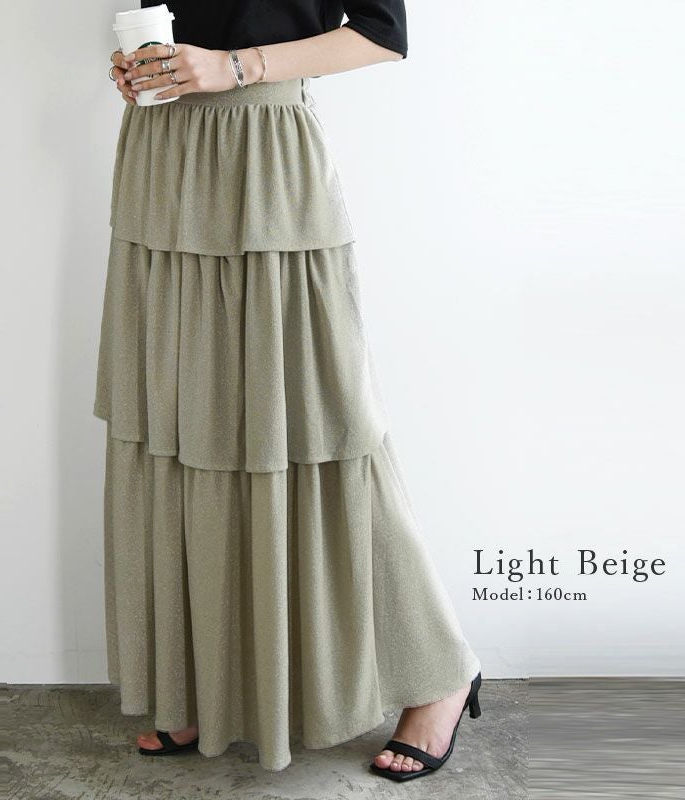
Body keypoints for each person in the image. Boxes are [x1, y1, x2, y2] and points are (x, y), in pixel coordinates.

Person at [94, 0, 482, 781]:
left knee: (319, 425)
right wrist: (141, 69)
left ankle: (439, 672)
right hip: (162, 152)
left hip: (265, 155)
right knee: (180, 421)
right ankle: (202, 685)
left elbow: (382, 34)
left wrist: (235, 66)